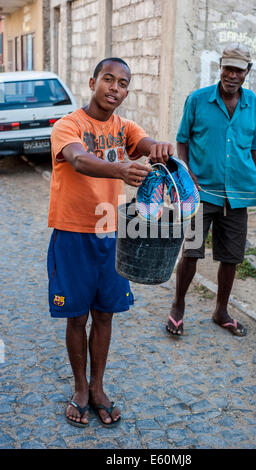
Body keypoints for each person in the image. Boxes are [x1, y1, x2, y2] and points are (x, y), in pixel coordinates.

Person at [47, 57, 174, 427]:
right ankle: (80, 388)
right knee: (77, 316)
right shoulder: (68, 125)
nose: (114, 88)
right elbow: (79, 160)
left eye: (122, 83)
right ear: (92, 82)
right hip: (72, 234)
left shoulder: (124, 128)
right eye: (108, 79)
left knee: (104, 314)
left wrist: (159, 148)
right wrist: (119, 169)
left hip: (111, 234)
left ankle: (98, 387)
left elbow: (144, 143)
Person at [166, 43, 256, 337]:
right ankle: (178, 307)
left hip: (239, 192)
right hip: (202, 192)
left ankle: (221, 310)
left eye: (238, 70)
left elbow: (252, 147)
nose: (232, 75)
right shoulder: (198, 100)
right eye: (227, 68)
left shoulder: (251, 103)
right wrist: (187, 174)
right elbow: (182, 140)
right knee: (191, 251)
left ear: (247, 72)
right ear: (220, 68)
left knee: (231, 257)